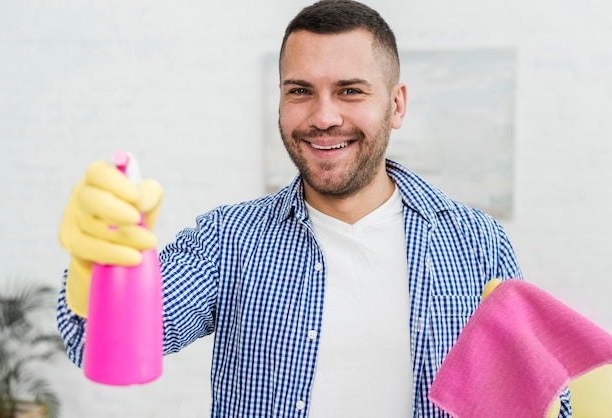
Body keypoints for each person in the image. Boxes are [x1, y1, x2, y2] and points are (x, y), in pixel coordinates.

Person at [56, 0, 572, 416]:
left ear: (396, 105)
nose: (323, 117)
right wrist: (96, 270)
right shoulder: (227, 240)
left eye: (350, 91)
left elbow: (550, 401)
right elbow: (98, 344)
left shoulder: (476, 242)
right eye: (300, 91)